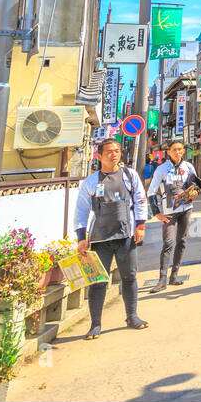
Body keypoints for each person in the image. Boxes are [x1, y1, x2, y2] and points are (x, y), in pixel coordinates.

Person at [75, 138, 150, 339]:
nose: (114, 154)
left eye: (116, 151)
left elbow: (140, 200)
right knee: (98, 281)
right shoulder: (91, 182)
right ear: (99, 156)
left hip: (126, 234)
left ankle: (132, 316)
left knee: (130, 276)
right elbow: (81, 211)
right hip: (100, 238)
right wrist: (81, 238)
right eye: (109, 151)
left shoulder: (129, 175)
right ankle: (95, 324)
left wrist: (141, 225)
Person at [146, 138, 201, 292]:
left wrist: (195, 192)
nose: (177, 152)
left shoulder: (188, 167)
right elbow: (151, 192)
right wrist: (157, 213)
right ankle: (161, 280)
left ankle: (174, 275)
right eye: (174, 150)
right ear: (168, 152)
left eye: (180, 149)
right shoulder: (162, 169)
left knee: (182, 241)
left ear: (183, 151)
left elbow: (196, 186)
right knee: (168, 243)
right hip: (169, 212)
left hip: (186, 208)